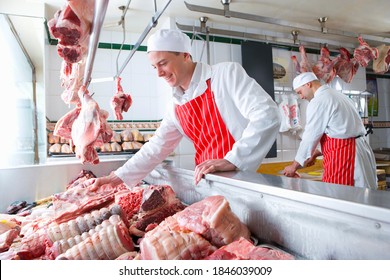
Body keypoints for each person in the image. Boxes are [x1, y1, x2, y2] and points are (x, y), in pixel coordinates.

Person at [84, 28, 280, 190]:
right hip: (205, 184)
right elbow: (156, 148)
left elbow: (268, 115)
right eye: (154, 67)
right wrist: (115, 178)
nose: (159, 73)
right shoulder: (175, 105)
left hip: (241, 183)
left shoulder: (226, 74)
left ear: (185, 55)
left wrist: (233, 160)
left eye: (163, 63)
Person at [283, 72, 377, 188]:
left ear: (308, 84)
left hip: (345, 155)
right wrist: (316, 152)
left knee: (340, 196)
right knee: (361, 195)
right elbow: (339, 130)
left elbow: (310, 137)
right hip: (357, 150)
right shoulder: (337, 95)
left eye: (300, 92)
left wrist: (294, 166)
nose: (301, 97)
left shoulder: (319, 101)